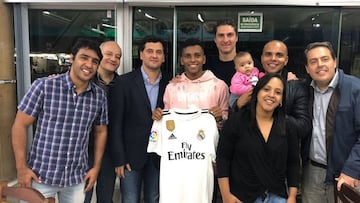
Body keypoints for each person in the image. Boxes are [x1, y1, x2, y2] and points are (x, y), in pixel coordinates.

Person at [11, 38, 108, 202]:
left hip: (76, 178)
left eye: (94, 61)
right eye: (84, 58)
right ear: (72, 59)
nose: (89, 65)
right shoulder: (44, 86)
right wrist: (21, 167)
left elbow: (101, 131)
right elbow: (20, 125)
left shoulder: (99, 96)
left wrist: (96, 167)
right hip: (41, 176)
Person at [150, 38, 229, 203]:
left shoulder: (219, 85)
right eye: (188, 56)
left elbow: (227, 122)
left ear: (204, 59)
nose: (193, 60)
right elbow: (168, 121)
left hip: (205, 160)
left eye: (197, 55)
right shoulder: (172, 87)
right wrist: (158, 117)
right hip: (177, 160)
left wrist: (220, 117)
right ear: (181, 59)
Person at [217, 73, 299, 203]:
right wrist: (226, 195)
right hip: (242, 197)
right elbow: (223, 159)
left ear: (282, 99)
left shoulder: (288, 126)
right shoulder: (236, 121)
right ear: (256, 92)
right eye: (266, 89)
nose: (271, 95)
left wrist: (292, 196)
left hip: (277, 197)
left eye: (278, 92)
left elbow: (293, 163)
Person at [108, 35, 170, 203]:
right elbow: (115, 124)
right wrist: (119, 158)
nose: (154, 55)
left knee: (154, 199)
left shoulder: (171, 84)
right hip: (130, 157)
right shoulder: (123, 82)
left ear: (164, 57)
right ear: (141, 54)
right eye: (149, 51)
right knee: (130, 199)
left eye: (159, 52)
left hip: (159, 156)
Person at [301, 41, 360, 203]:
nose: (320, 65)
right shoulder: (305, 90)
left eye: (325, 59)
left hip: (347, 173)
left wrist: (352, 170)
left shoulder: (355, 89)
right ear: (307, 68)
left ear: (334, 61)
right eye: (313, 61)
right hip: (312, 172)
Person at [232, 40, 311, 140]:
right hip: (251, 148)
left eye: (279, 55)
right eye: (268, 54)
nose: (273, 59)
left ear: (286, 60)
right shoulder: (251, 83)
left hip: (283, 150)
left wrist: (270, 114)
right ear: (262, 58)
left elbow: (303, 127)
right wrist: (238, 106)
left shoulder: (297, 87)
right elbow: (235, 125)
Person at [84, 41, 121, 203]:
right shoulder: (83, 80)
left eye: (118, 56)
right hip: (84, 148)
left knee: (106, 195)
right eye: (109, 54)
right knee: (82, 194)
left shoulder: (123, 85)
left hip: (110, 150)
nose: (113, 59)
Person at [204, 18, 238, 87]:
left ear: (236, 38)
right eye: (221, 35)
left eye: (230, 35)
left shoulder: (251, 64)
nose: (225, 40)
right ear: (215, 39)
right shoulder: (206, 66)